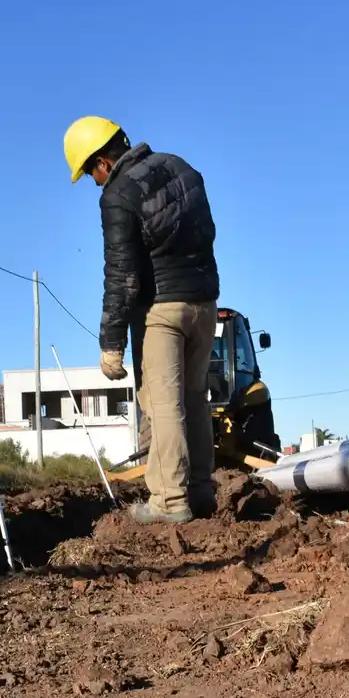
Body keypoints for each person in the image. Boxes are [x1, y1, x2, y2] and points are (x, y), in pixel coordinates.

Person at [64, 116, 220, 524]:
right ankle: (201, 492)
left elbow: (122, 271)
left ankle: (169, 502)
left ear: (101, 161)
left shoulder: (117, 193)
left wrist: (110, 341)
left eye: (91, 174)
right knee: (195, 398)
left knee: (162, 404)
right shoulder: (181, 166)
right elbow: (208, 231)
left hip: (162, 310)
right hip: (204, 302)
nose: (95, 183)